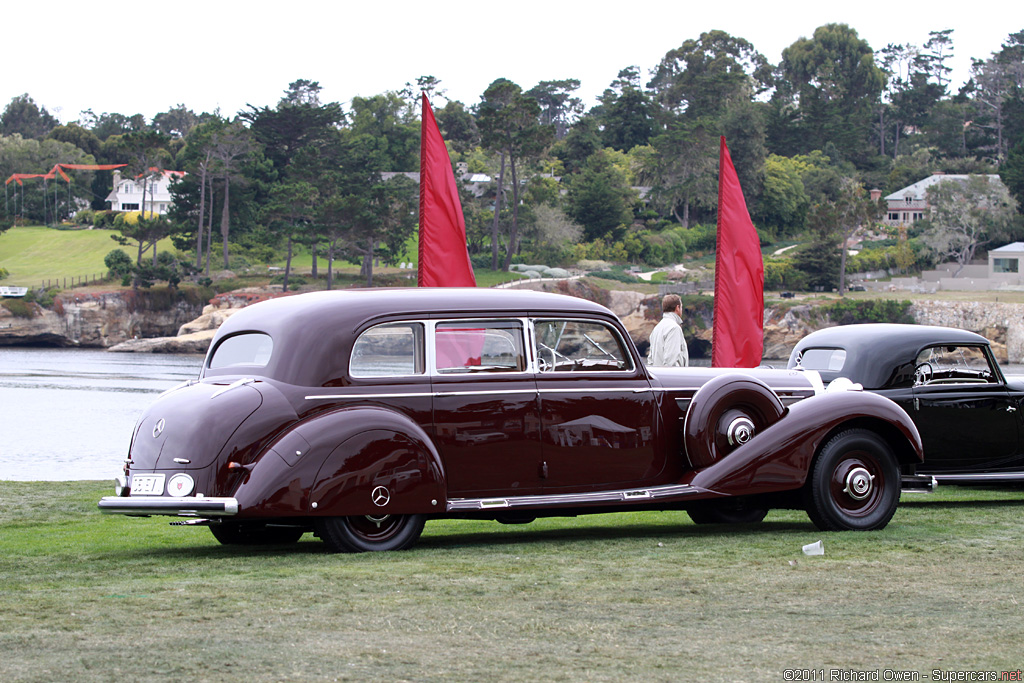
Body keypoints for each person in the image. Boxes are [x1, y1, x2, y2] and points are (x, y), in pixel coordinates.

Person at [647, 294, 689, 366]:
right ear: (677, 308)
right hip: (671, 376)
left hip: (657, 375)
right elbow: (670, 361)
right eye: (681, 307)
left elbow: (650, 360)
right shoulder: (674, 328)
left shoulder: (657, 328)